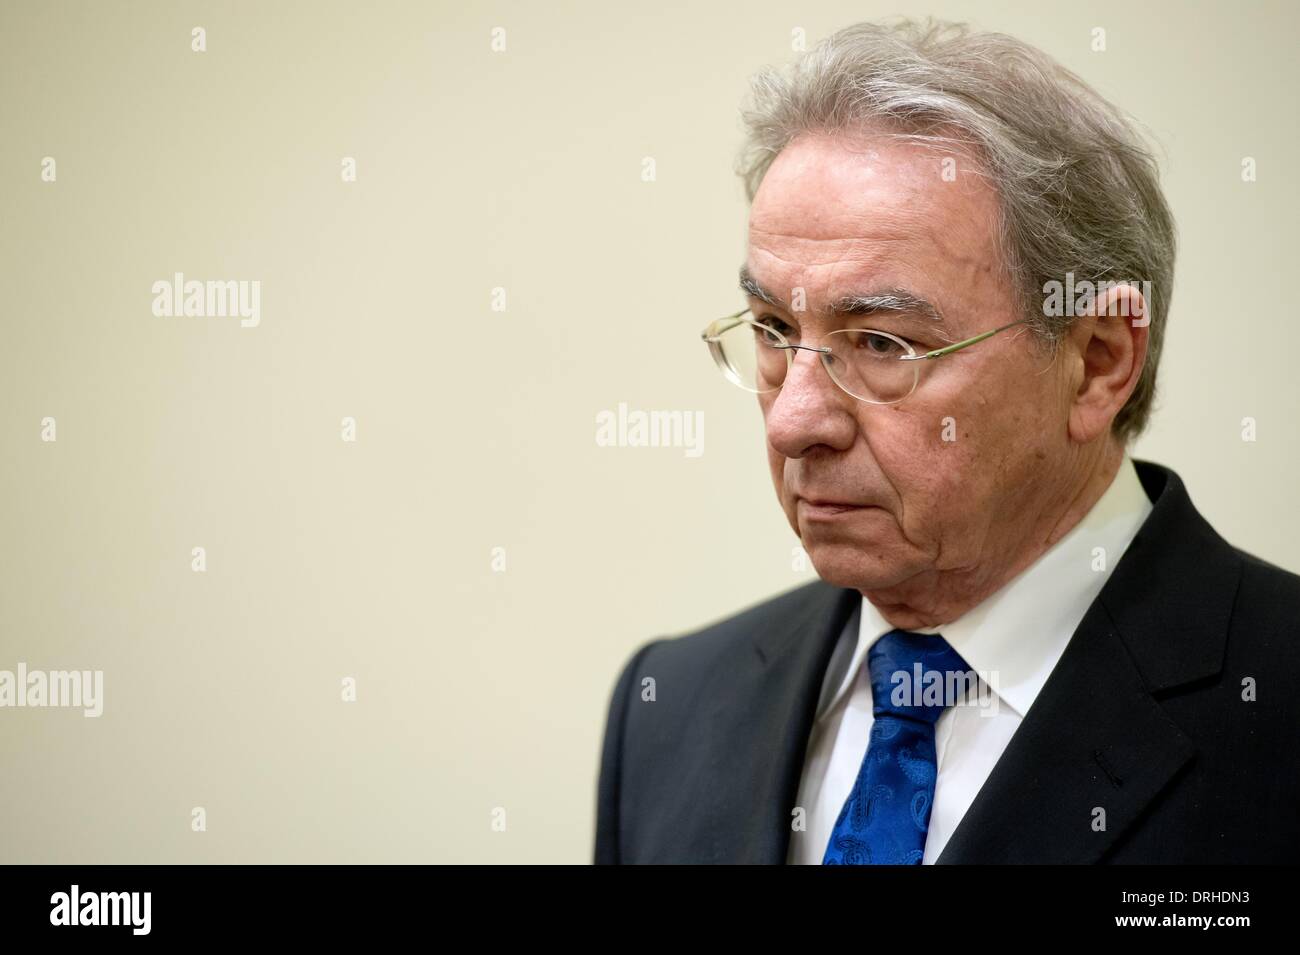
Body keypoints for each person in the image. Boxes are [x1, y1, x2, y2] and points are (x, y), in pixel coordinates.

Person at [593, 17, 1300, 864]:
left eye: (883, 343)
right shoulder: (670, 707)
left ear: (1098, 361)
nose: (793, 420)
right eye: (775, 329)